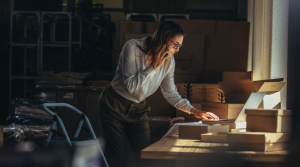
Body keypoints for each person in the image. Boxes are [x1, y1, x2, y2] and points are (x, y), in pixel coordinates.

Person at [98, 21, 219, 167]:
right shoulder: (133, 47)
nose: (177, 49)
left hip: (138, 108)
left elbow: (170, 93)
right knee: (117, 158)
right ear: (163, 38)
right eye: (175, 44)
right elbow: (130, 87)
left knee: (145, 155)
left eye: (180, 46)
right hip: (114, 104)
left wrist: (194, 110)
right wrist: (153, 67)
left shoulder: (169, 61)